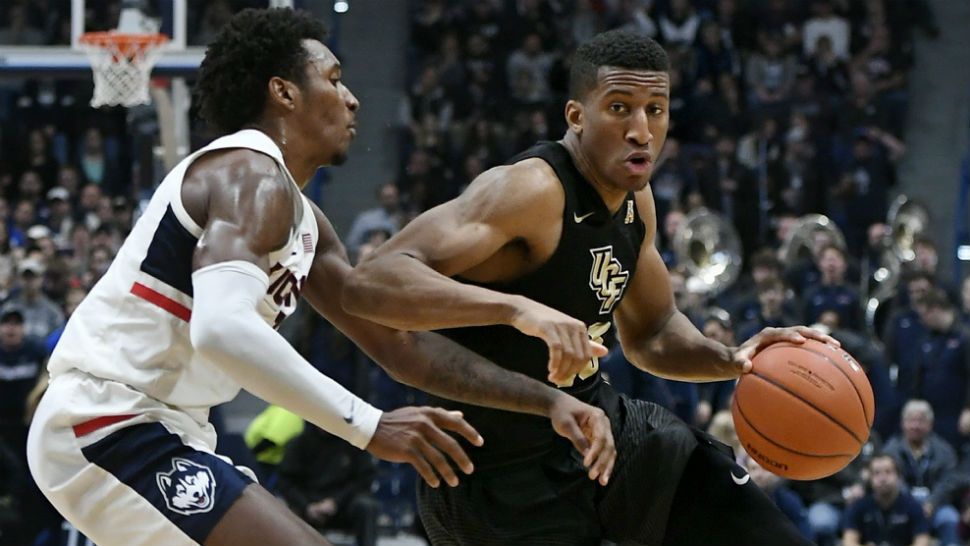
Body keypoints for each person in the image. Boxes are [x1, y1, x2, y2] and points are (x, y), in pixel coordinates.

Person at [26, 9, 615, 546]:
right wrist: (369, 425)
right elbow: (221, 330)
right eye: (333, 79)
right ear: (284, 92)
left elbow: (399, 346)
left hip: (167, 427)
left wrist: (546, 399)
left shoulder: (304, 221)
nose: (353, 99)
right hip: (109, 418)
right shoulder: (248, 174)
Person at [345, 29, 836, 546]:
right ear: (576, 116)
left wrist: (733, 360)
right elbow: (369, 283)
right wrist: (516, 309)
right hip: (494, 475)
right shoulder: (529, 190)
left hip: (601, 431)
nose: (642, 131)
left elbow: (653, 333)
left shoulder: (636, 201)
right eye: (620, 108)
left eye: (657, 109)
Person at [843, 454, 931, 546]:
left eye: (888, 472)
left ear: (899, 477)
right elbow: (849, 541)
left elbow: (922, 541)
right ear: (869, 479)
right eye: (876, 473)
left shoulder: (913, 506)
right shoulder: (858, 507)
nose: (882, 478)